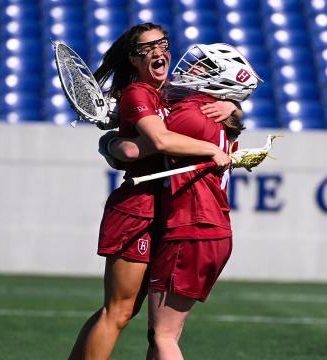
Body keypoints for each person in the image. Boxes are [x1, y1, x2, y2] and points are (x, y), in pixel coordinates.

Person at [68, 23, 241, 360]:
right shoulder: (138, 93)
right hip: (136, 209)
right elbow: (159, 141)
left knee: (143, 322)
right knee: (118, 312)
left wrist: (233, 108)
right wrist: (119, 145)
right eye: (146, 48)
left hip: (164, 210)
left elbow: (223, 103)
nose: (158, 51)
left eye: (162, 43)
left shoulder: (171, 91)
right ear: (133, 59)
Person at [106, 43, 261, 358]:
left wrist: (111, 138)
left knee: (164, 336)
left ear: (219, 81)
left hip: (190, 227)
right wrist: (234, 105)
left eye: (203, 67)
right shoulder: (218, 112)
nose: (191, 69)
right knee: (161, 335)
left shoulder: (190, 113)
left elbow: (135, 149)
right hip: (210, 228)